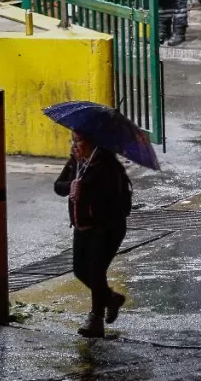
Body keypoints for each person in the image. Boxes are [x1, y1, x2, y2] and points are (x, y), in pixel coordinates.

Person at [54, 131, 133, 337]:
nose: (75, 144)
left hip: (107, 227)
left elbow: (112, 201)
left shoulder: (108, 166)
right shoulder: (75, 162)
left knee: (96, 270)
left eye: (79, 140)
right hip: (83, 226)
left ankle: (96, 319)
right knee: (80, 270)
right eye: (73, 139)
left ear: (93, 141)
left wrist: (86, 189)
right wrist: (71, 186)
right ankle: (111, 299)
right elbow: (58, 187)